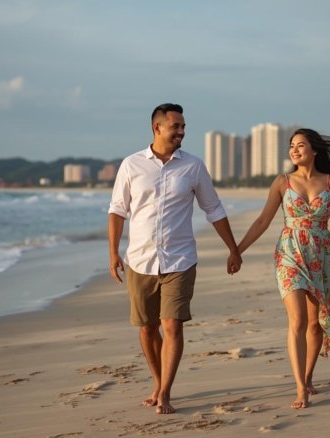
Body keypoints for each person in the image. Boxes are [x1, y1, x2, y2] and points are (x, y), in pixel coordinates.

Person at [234, 128, 330, 409]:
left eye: (300, 145)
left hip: (322, 255)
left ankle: (307, 377)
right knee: (297, 320)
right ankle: (299, 389)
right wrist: (237, 250)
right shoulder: (282, 183)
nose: (294, 150)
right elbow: (262, 221)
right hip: (290, 253)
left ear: (314, 150)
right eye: (291, 146)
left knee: (315, 325)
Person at [108, 103, 242, 415]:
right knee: (146, 327)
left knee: (172, 326)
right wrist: (113, 252)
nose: (182, 131)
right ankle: (157, 381)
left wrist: (233, 249)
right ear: (157, 128)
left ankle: (165, 392)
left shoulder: (193, 166)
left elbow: (214, 209)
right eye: (176, 127)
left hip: (180, 260)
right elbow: (117, 210)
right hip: (140, 260)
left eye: (183, 127)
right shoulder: (131, 165)